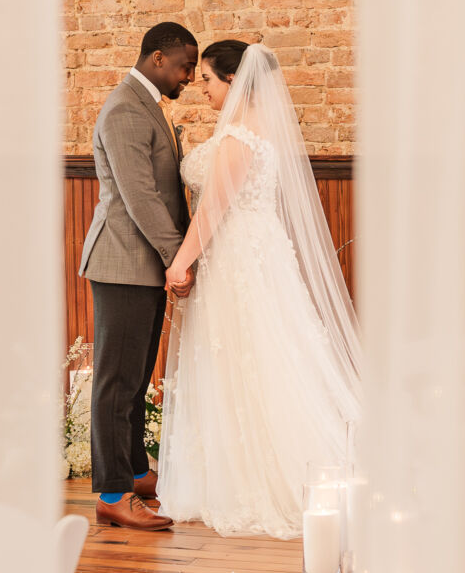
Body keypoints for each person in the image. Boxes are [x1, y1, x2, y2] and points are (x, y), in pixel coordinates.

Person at [156, 40, 363, 539]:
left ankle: (257, 479)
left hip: (236, 259)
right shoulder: (260, 132)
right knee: (260, 359)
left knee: (248, 361)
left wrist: (179, 265)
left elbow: (213, 211)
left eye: (207, 79)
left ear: (233, 81)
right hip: (255, 253)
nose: (201, 88)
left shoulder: (239, 137)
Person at [77, 22, 197, 531]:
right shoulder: (126, 107)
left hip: (140, 264)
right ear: (156, 58)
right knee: (115, 382)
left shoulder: (148, 105)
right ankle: (111, 493)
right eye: (183, 66)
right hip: (123, 262)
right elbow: (139, 196)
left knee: (134, 380)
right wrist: (178, 256)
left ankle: (134, 473)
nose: (188, 76)